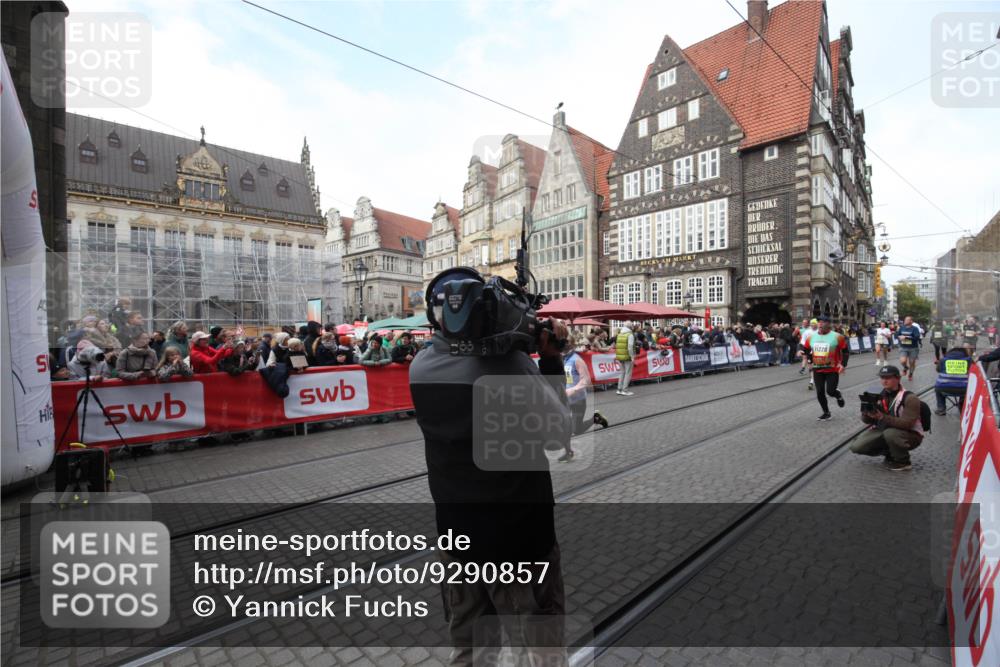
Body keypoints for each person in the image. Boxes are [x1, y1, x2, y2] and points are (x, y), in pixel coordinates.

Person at [409, 272, 572, 667]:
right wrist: (550, 357)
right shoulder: (512, 368)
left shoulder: (421, 366)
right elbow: (559, 434)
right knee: (539, 644)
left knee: (470, 646)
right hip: (518, 538)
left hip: (458, 537)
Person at [847, 365, 924, 471]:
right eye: (882, 378)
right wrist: (866, 413)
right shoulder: (877, 394)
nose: (884, 381)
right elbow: (867, 421)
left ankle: (903, 462)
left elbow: (908, 424)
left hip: (910, 434)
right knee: (856, 447)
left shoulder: (910, 398)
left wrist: (882, 417)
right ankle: (891, 453)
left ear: (898, 378)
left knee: (891, 434)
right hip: (884, 429)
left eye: (887, 378)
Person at [558, 336, 609, 462]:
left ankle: (595, 418)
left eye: (567, 345)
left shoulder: (577, 360)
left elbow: (586, 380)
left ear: (571, 347)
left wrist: (573, 389)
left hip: (578, 399)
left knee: (577, 430)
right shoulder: (561, 359)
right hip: (564, 399)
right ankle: (568, 452)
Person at [802, 315, 849, 421]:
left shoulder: (837, 336)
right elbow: (805, 349)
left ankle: (837, 395)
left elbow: (845, 352)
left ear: (829, 324)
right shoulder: (811, 337)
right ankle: (826, 412)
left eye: (823, 322)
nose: (820, 323)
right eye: (819, 322)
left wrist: (843, 364)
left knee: (830, 391)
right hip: (817, 368)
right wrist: (808, 359)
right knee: (819, 392)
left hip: (832, 369)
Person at [933, 346, 972, 415]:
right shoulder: (969, 360)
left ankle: (941, 409)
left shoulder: (943, 360)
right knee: (967, 387)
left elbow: (938, 370)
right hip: (963, 389)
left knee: (937, 389)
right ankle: (962, 408)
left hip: (944, 388)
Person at [896, 315, 922, 382]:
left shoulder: (914, 328)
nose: (905, 321)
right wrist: (899, 337)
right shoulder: (902, 328)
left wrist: (906, 337)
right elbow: (897, 335)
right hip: (903, 347)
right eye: (905, 319)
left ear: (911, 321)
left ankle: (910, 374)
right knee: (902, 361)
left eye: (907, 320)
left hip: (913, 348)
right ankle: (905, 367)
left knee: (912, 362)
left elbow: (917, 338)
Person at [614, 323, 636, 396]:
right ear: (630, 327)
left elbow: (617, 345)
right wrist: (632, 356)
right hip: (627, 356)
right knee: (628, 373)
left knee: (622, 372)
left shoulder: (619, 334)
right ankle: (625, 390)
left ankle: (619, 389)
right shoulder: (630, 335)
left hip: (620, 356)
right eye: (632, 326)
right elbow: (630, 346)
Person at [797, 318, 819, 389]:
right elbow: (802, 341)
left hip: (819, 351)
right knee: (811, 366)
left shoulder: (820, 331)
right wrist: (800, 350)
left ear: (817, 324)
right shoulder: (807, 332)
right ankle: (811, 381)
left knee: (819, 366)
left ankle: (820, 379)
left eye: (814, 324)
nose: (813, 325)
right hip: (809, 350)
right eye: (812, 324)